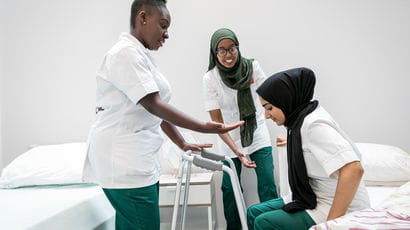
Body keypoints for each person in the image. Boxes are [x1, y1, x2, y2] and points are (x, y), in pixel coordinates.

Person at [82, 1, 243, 230]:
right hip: (124, 162)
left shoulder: (140, 55)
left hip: (136, 160)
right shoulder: (125, 54)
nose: (166, 35)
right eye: (163, 25)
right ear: (143, 17)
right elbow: (154, 105)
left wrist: (182, 142)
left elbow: (155, 108)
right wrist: (205, 127)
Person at [246, 67, 370, 230]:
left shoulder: (314, 125)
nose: (266, 115)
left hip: (334, 205)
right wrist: (293, 143)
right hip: (314, 196)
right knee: (253, 212)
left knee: (264, 222)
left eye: (269, 108)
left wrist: (330, 224)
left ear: (286, 100)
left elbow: (354, 169)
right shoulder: (299, 122)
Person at [202, 28, 278, 230]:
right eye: (222, 50)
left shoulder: (252, 67)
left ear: (238, 48)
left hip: (257, 131)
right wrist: (236, 150)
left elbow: (269, 95)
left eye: (232, 49)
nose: (228, 55)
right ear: (215, 53)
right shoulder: (211, 79)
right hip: (228, 138)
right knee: (229, 188)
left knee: (267, 182)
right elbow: (218, 125)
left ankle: (269, 226)